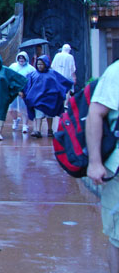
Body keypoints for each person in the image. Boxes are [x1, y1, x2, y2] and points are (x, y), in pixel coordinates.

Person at [87, 60, 119, 271]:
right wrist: (95, 162)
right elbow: (95, 113)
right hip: (118, 169)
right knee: (118, 236)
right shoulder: (116, 72)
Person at [22, 55, 73, 138]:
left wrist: (64, 90)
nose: (39, 66)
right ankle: (37, 130)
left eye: (41, 64)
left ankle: (50, 129)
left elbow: (61, 82)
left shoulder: (52, 73)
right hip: (37, 100)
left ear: (46, 64)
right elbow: (27, 84)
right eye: (38, 64)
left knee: (49, 115)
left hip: (50, 99)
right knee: (38, 115)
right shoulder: (33, 74)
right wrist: (24, 93)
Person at [8, 51, 34, 133]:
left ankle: (25, 125)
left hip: (25, 91)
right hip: (13, 91)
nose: (21, 60)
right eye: (20, 58)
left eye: (23, 58)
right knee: (11, 109)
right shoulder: (13, 66)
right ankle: (15, 120)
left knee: (24, 109)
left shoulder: (30, 68)